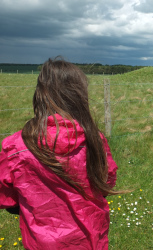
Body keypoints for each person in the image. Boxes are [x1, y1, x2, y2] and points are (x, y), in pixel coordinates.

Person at [0, 57, 119, 249]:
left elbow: (4, 195)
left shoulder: (17, 146)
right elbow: (107, 180)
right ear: (80, 96)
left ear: (40, 95)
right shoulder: (95, 139)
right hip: (91, 238)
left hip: (43, 242)